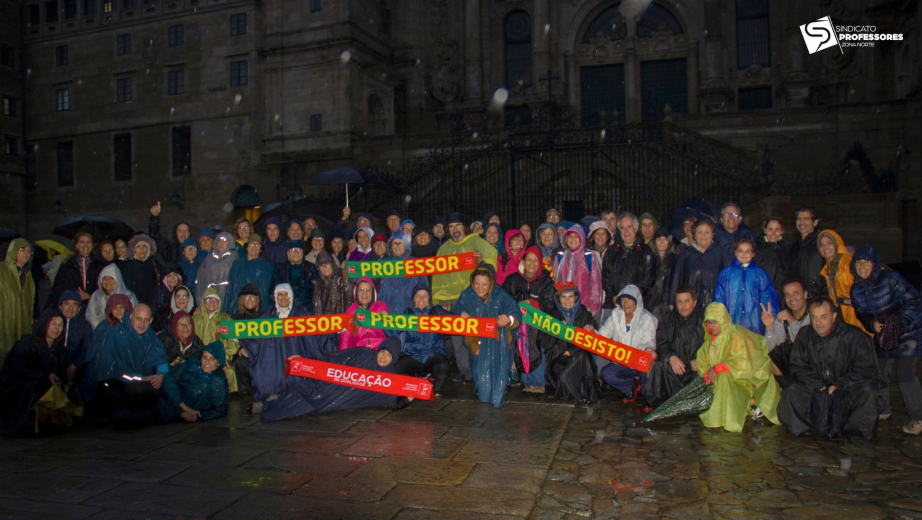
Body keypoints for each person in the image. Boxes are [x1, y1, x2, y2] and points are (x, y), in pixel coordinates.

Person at [777, 297, 882, 440]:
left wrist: (839, 384)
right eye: (814, 318)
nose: (819, 323)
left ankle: (853, 431)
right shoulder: (805, 334)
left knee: (868, 389)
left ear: (834, 316)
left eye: (823, 317)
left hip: (846, 387)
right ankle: (811, 428)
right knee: (791, 390)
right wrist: (818, 385)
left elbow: (866, 367)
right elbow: (797, 366)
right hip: (817, 388)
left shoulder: (854, 335)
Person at [850, 247, 922, 435]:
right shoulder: (856, 289)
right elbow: (861, 313)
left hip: (909, 332)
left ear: (875, 264)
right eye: (858, 262)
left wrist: (898, 322)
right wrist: (872, 324)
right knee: (879, 371)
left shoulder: (891, 279)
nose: (862, 266)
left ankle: (918, 417)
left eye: (867, 262)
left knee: (905, 371)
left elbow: (914, 301)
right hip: (885, 335)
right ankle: (884, 409)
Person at [255, 336, 404, 420]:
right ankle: (270, 403)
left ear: (394, 358)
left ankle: (268, 405)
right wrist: (305, 361)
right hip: (328, 386)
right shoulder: (363, 354)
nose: (384, 357)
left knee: (305, 405)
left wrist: (408, 398)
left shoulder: (390, 378)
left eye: (389, 355)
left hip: (336, 401)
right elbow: (332, 359)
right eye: (383, 351)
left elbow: (391, 402)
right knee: (301, 390)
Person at [238, 284, 336, 403]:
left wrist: (339, 326)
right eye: (280, 294)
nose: (283, 297)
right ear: (275, 297)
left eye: (286, 294)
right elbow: (253, 335)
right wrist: (245, 346)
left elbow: (321, 330)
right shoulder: (267, 319)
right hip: (276, 362)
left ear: (291, 296)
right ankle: (273, 394)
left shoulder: (303, 316)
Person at [431, 212, 498, 384]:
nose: (455, 229)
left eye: (458, 225)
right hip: (452, 299)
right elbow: (438, 277)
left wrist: (482, 262)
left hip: (474, 296)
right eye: (451, 227)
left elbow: (491, 255)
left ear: (464, 227)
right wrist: (439, 302)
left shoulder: (475, 241)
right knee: (457, 338)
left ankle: (482, 371)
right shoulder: (443, 249)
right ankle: (465, 372)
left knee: (477, 334)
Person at [696, 302, 781, 432]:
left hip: (751, 378)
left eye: (715, 322)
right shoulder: (709, 343)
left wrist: (718, 369)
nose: (711, 326)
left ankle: (750, 402)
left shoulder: (737, 334)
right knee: (723, 377)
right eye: (709, 322)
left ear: (723, 320)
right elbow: (702, 362)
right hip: (729, 379)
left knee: (724, 376)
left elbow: (744, 363)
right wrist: (708, 373)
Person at [88, 304, 169, 428]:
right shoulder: (117, 335)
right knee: (138, 392)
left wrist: (161, 376)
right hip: (117, 384)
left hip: (140, 383)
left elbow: (160, 358)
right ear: (130, 317)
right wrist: (141, 379)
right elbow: (116, 370)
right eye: (138, 319)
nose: (142, 323)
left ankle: (130, 416)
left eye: (146, 320)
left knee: (159, 389)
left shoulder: (150, 336)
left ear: (150, 320)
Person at [454, 265, 521, 408]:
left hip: (498, 343)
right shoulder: (466, 296)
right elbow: (455, 316)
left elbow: (516, 314)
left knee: (499, 370)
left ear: (491, 283)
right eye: (476, 283)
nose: (480, 287)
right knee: (480, 371)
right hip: (477, 341)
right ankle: (483, 390)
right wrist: (462, 316)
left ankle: (500, 388)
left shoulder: (501, 295)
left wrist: (508, 318)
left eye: (484, 284)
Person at [0, 310, 66, 436]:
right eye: (53, 324)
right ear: (45, 324)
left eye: (60, 325)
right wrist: (45, 375)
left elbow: (59, 371)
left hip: (41, 387)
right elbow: (18, 372)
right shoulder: (26, 344)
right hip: (16, 389)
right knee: (33, 384)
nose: (56, 328)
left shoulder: (59, 349)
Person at [503, 246, 557, 392]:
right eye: (529, 260)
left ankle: (538, 383)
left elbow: (551, 303)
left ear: (540, 263)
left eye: (535, 261)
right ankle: (526, 381)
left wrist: (533, 304)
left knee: (537, 348)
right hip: (518, 324)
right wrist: (519, 304)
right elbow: (504, 299)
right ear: (523, 261)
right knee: (519, 350)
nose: (532, 264)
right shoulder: (513, 279)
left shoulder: (546, 280)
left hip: (538, 325)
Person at [645, 285, 705, 407]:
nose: (683, 306)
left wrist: (702, 360)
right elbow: (661, 342)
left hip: (696, 369)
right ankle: (659, 403)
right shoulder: (668, 319)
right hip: (676, 368)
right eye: (679, 302)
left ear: (695, 302)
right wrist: (671, 357)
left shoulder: (704, 319)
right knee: (660, 366)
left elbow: (713, 344)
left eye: (687, 301)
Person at [541, 283, 601, 402]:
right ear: (558, 299)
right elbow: (544, 343)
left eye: (571, 297)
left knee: (582, 356)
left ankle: (582, 392)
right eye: (563, 297)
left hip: (579, 357)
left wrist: (592, 331)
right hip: (558, 358)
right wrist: (557, 332)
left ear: (576, 297)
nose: (567, 301)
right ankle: (587, 392)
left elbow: (594, 344)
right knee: (575, 363)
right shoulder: (551, 316)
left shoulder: (585, 315)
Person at [598, 285, 658, 404]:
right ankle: (630, 388)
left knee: (650, 364)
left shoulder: (647, 318)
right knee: (606, 374)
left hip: (639, 361)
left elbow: (649, 339)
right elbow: (603, 334)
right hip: (622, 361)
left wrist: (647, 349)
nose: (626, 303)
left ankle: (648, 396)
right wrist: (591, 333)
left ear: (637, 301)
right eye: (623, 300)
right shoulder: (616, 316)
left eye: (629, 299)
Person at [714, 238, 779, 334]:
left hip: (755, 323)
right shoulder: (726, 273)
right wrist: (718, 318)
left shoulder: (759, 273)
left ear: (753, 254)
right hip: (731, 321)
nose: (744, 254)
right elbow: (719, 297)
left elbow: (767, 296)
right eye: (741, 251)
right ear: (735, 252)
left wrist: (772, 317)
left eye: (748, 251)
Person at [396, 284, 450, 396]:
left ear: (429, 299)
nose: (421, 299)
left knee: (443, 366)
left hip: (434, 356)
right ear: (413, 300)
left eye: (424, 296)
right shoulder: (408, 314)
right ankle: (415, 382)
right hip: (414, 356)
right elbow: (392, 329)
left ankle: (436, 386)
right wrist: (383, 320)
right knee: (398, 366)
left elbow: (455, 320)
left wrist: (463, 315)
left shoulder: (436, 311)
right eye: (418, 296)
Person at [160, 341, 229, 423]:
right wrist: (182, 406)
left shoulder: (218, 381)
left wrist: (197, 416)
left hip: (175, 416)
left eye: (212, 359)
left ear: (218, 362)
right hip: (163, 404)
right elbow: (169, 378)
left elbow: (220, 409)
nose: (207, 362)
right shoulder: (191, 365)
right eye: (204, 357)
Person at [670, 219, 732, 310]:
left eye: (707, 232)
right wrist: (672, 302)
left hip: (715, 307)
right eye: (700, 232)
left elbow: (730, 280)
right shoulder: (686, 254)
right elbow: (676, 277)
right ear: (694, 235)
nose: (703, 236)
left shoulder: (722, 253)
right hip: (690, 308)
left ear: (713, 234)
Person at [602, 213, 654, 316]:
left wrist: (630, 296)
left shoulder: (645, 251)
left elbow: (648, 278)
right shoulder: (612, 251)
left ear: (636, 228)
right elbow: (606, 277)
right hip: (614, 305)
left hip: (637, 306)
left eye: (629, 227)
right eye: (622, 228)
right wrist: (614, 296)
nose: (626, 231)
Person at [817, 230, 868, 334]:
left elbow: (874, 274)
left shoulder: (850, 261)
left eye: (829, 243)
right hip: (841, 314)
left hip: (858, 313)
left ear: (836, 243)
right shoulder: (828, 268)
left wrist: (862, 299)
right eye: (821, 245)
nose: (825, 248)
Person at [761, 278, 811, 381]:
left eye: (795, 293)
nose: (791, 298)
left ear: (805, 294)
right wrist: (769, 327)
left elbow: (806, 344)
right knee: (774, 365)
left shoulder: (814, 315)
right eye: (787, 295)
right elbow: (775, 349)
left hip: (812, 361)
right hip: (793, 363)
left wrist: (793, 322)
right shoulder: (782, 318)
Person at [46, 231, 105, 313]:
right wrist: (49, 309)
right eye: (82, 242)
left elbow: (105, 288)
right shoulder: (67, 264)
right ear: (76, 245)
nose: (85, 245)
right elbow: (57, 287)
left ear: (92, 245)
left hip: (94, 307)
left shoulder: (100, 265)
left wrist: (89, 295)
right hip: (72, 308)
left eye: (88, 242)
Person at [192, 288, 238, 392]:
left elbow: (234, 343)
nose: (212, 302)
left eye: (215, 299)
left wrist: (222, 356)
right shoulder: (195, 320)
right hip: (200, 357)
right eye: (208, 299)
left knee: (229, 370)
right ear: (203, 301)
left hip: (221, 357)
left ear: (219, 302)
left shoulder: (226, 319)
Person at [1, 239, 35, 367]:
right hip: (4, 324)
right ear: (13, 250)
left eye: (29, 251)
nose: (26, 253)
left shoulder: (28, 275)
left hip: (22, 325)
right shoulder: (2, 271)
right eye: (22, 249)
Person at [554, 224, 602, 316]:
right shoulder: (560, 256)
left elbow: (596, 285)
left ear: (581, 238)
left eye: (576, 236)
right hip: (564, 307)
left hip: (584, 308)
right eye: (570, 236)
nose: (572, 239)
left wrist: (594, 309)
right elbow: (555, 281)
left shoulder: (589, 257)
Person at [222, 234, 274, 315]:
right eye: (252, 244)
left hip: (259, 311)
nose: (254, 247)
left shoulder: (267, 267)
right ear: (247, 247)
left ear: (260, 249)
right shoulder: (237, 264)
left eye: (257, 244)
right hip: (237, 309)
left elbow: (267, 291)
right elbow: (230, 289)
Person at [378, 232, 425, 317]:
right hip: (387, 315)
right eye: (394, 243)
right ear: (390, 247)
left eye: (400, 243)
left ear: (406, 246)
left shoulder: (416, 264)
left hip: (410, 315)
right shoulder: (381, 264)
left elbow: (424, 289)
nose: (397, 246)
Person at [339, 277, 390, 350]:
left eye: (368, 290)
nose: (364, 293)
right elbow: (345, 339)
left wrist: (368, 319)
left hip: (379, 352)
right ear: (356, 292)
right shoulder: (350, 311)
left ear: (373, 292)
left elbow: (387, 334)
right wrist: (343, 359)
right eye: (361, 290)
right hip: (359, 353)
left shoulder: (381, 307)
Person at [228, 283, 261, 395]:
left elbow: (268, 339)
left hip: (260, 353)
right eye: (246, 297)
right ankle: (245, 393)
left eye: (252, 296)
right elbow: (231, 340)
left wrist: (251, 349)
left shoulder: (265, 316)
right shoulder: (234, 318)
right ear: (242, 300)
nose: (249, 299)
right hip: (242, 355)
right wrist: (240, 349)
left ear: (257, 300)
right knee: (240, 361)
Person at [57, 291, 94, 388]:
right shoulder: (53, 322)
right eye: (66, 304)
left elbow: (89, 350)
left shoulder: (84, 326)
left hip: (76, 364)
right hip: (54, 363)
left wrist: (75, 366)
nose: (70, 308)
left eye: (74, 304)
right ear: (60, 307)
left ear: (79, 308)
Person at [789, 206, 827, 298]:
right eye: (799, 219)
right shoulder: (794, 247)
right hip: (799, 299)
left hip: (819, 298)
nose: (802, 222)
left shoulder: (822, 243)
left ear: (815, 222)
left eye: (806, 219)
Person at [120, 233, 165, 309]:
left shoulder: (155, 264)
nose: (142, 250)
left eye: (144, 246)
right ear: (133, 249)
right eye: (138, 247)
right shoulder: (127, 266)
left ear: (149, 248)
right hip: (134, 304)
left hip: (153, 304)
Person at [195, 232, 239, 305]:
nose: (221, 243)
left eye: (224, 241)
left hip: (226, 296)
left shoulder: (234, 257)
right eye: (219, 241)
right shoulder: (209, 258)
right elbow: (201, 280)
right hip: (209, 296)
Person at [273, 241, 317, 311]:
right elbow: (273, 291)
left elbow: (317, 291)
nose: (296, 253)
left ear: (303, 253)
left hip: (307, 311)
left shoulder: (311, 268)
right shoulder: (280, 269)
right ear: (288, 253)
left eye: (299, 250)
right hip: (286, 311)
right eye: (292, 250)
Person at [755, 217, 791, 296]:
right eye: (770, 229)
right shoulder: (756, 250)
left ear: (782, 231)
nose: (773, 233)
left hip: (784, 295)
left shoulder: (788, 248)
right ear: (765, 230)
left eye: (777, 230)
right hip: (763, 295)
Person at [647, 227, 677, 322]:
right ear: (655, 242)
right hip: (652, 303)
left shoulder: (675, 259)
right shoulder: (650, 259)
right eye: (659, 239)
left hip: (669, 303)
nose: (662, 242)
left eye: (665, 239)